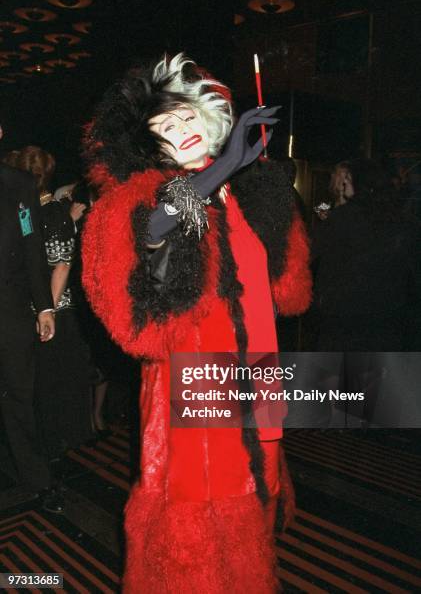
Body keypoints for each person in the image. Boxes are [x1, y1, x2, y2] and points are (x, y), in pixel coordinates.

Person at [82, 54, 312, 592]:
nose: (180, 130)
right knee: (198, 512)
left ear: (209, 118)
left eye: (186, 116)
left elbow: (284, 286)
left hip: (256, 372)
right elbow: (156, 225)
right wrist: (224, 166)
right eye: (164, 126)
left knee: (254, 494)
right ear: (149, 143)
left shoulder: (241, 195)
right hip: (191, 383)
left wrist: (259, 182)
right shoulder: (154, 197)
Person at [17, 146, 92, 465]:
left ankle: (55, 453)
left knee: (51, 388)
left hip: (54, 314)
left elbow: (61, 265)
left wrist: (44, 309)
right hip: (42, 310)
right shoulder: (30, 211)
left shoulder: (50, 213)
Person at [0, 127, 61, 509]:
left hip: (10, 310)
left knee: (21, 396)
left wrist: (44, 306)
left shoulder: (19, 184)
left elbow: (32, 248)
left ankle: (37, 479)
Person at [313, 158, 419, 351]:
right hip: (386, 321)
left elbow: (316, 253)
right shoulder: (401, 220)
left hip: (345, 319)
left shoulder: (343, 218)